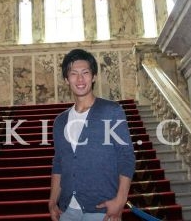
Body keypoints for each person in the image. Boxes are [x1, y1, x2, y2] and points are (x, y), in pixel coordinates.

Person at [49, 49, 135, 221]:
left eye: (85, 73)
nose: (80, 79)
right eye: (73, 74)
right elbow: (59, 163)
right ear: (66, 79)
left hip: (101, 209)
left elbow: (126, 157)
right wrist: (52, 202)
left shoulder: (112, 111)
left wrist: (120, 200)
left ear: (94, 76)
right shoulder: (60, 121)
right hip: (67, 210)